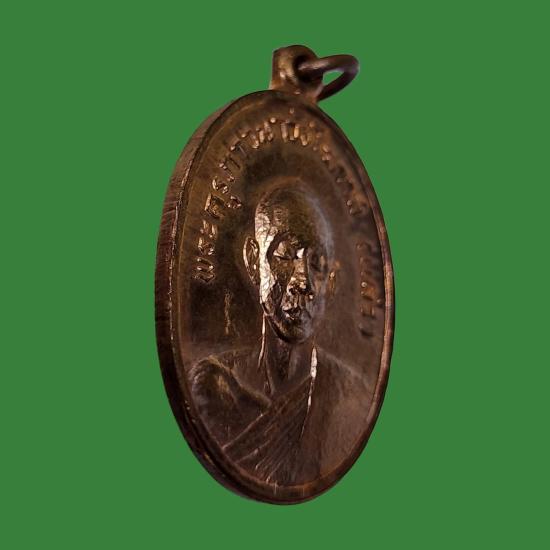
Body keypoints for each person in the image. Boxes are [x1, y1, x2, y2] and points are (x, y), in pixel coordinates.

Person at [190, 186, 372, 485]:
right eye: (285, 255)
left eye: (317, 264)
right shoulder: (216, 385)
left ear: (331, 282)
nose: (303, 281)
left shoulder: (352, 396)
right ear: (253, 261)